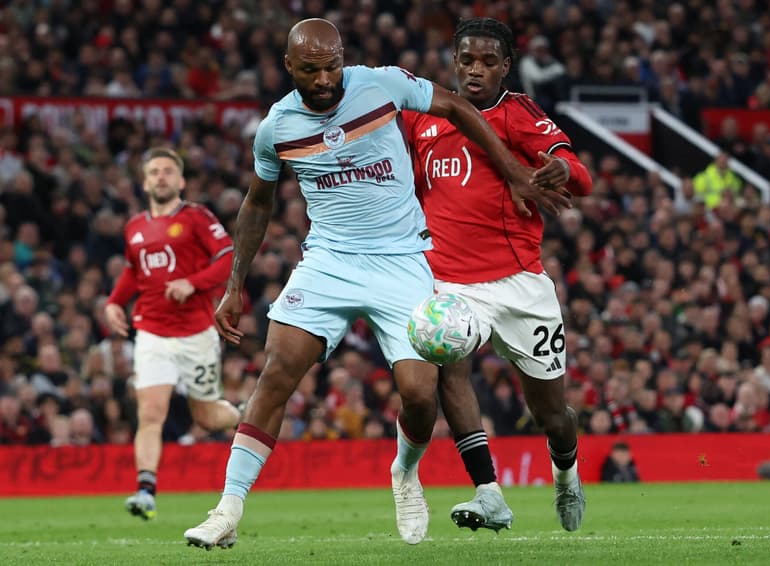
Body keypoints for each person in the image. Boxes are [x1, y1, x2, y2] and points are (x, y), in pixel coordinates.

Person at [183, 18, 570, 550]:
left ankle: (405, 473)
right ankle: (227, 509)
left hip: (402, 260)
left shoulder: (380, 84)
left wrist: (508, 169)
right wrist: (234, 284)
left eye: (332, 66)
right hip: (329, 263)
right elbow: (258, 202)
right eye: (312, 70)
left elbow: (456, 107)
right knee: (276, 372)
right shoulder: (277, 127)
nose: (324, 80)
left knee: (419, 394)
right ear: (289, 66)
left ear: (344, 57)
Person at [403, 18, 592, 533]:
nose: (475, 70)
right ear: (454, 62)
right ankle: (489, 494)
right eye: (466, 60)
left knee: (552, 413)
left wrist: (560, 169)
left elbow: (580, 173)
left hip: (520, 286)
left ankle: (566, 472)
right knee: (449, 369)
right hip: (452, 284)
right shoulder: (424, 119)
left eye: (488, 61)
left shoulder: (518, 113)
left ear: (506, 66)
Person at [104, 147, 240, 520]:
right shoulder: (134, 227)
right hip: (152, 332)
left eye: (167, 171)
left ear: (181, 181)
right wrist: (115, 302)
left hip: (196, 333)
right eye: (154, 172)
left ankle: (247, 415)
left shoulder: (196, 217)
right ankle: (146, 490)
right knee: (150, 412)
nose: (160, 177)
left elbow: (227, 255)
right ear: (145, 181)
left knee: (208, 418)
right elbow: (134, 270)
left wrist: (192, 284)